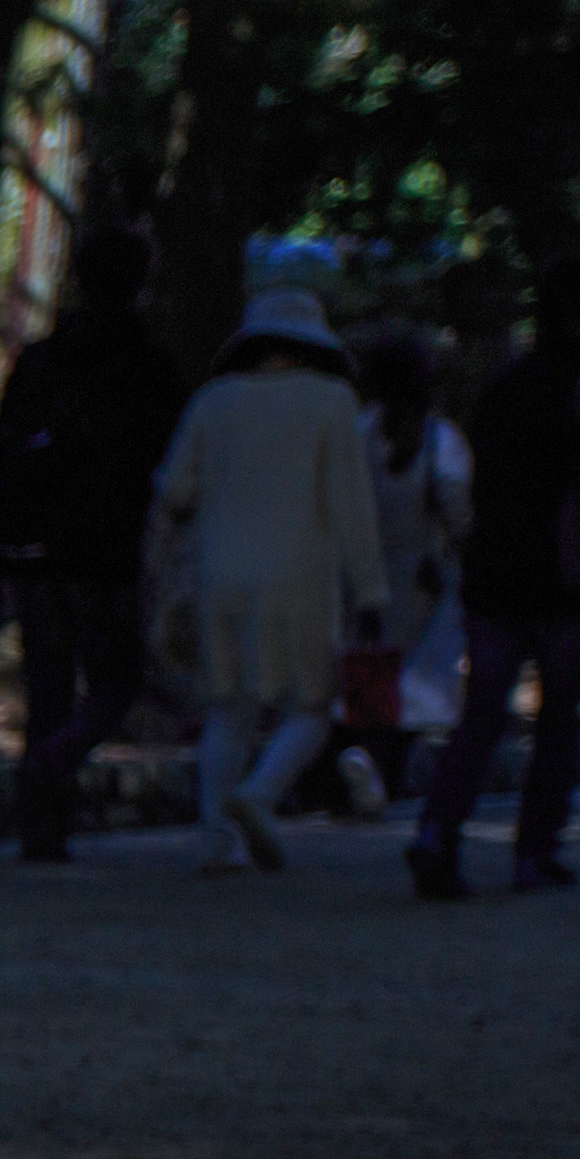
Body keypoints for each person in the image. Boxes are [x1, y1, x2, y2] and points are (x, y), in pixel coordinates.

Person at [145, 287, 387, 874]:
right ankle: (258, 794)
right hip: (302, 578)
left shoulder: (213, 401)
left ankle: (214, 840)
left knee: (227, 709)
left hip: (219, 578)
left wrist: (156, 575)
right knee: (313, 705)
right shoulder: (332, 403)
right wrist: (372, 589)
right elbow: (350, 505)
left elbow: (172, 493)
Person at [0, 228, 194, 862]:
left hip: (33, 545)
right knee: (114, 682)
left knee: (46, 679)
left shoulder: (42, 358)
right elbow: (165, 458)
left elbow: (2, 443)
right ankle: (56, 762)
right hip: (105, 547)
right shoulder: (149, 364)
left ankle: (40, 825)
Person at [407, 249, 580, 899]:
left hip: (496, 570)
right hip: (566, 575)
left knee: (482, 714)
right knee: (559, 717)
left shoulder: (507, 383)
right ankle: (535, 851)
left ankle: (437, 830)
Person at [338, 327, 470, 807]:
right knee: (416, 683)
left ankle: (363, 761)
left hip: (363, 572)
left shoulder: (358, 432)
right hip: (424, 574)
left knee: (368, 674)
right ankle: (384, 773)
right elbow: (458, 506)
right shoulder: (439, 437)